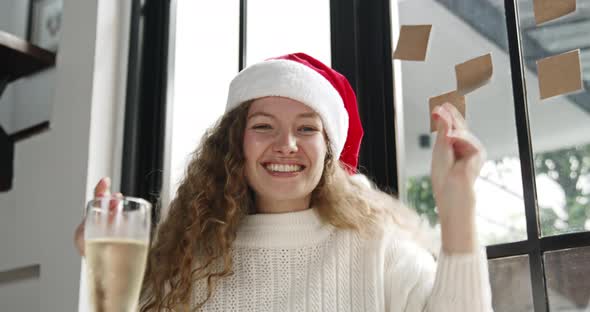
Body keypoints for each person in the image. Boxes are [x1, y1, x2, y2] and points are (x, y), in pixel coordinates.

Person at [75, 52, 493, 311]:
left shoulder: (377, 249)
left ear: (329, 152)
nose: (286, 144)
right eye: (263, 126)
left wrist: (458, 207)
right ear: (234, 144)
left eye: (307, 129)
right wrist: (103, 265)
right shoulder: (188, 263)